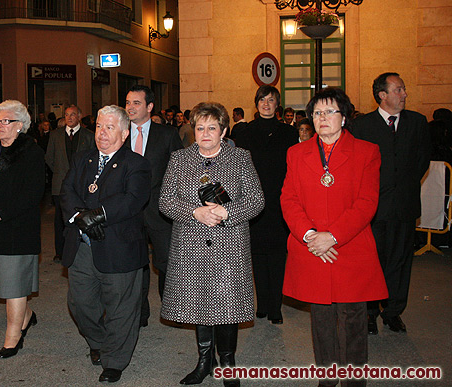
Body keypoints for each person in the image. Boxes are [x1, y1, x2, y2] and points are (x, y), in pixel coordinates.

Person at [281, 87, 388, 387]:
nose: (322, 118)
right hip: (312, 247)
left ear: (345, 117)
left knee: (353, 320)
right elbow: (288, 199)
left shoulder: (367, 152)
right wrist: (310, 235)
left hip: (349, 247)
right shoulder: (296, 152)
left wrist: (334, 236)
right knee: (321, 321)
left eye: (330, 112)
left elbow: (367, 202)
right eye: (317, 113)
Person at [159, 102, 264, 386]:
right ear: (193, 131)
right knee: (199, 303)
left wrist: (228, 212)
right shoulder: (179, 159)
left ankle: (227, 362)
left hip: (229, 244)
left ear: (224, 131)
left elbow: (257, 200)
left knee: (228, 305)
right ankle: (205, 360)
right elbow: (165, 200)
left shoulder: (241, 158)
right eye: (200, 128)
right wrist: (195, 212)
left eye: (212, 128)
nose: (205, 133)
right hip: (191, 243)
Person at [61, 105, 151, 383]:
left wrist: (98, 215)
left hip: (120, 248)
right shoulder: (82, 159)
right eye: (99, 126)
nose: (102, 133)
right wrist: (79, 216)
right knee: (80, 304)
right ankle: (99, 342)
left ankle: (115, 360)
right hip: (83, 248)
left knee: (122, 309)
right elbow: (67, 191)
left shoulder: (136, 164)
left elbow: (133, 199)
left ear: (124, 133)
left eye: (109, 127)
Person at [350, 73, 431, 334]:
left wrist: (402, 188)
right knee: (372, 261)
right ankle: (371, 312)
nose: (404, 94)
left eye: (404, 89)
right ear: (382, 95)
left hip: (405, 206)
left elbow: (422, 161)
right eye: (398, 90)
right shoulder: (361, 126)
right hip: (372, 209)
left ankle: (394, 312)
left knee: (400, 261)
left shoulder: (417, 123)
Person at [0, 100, 45, 358]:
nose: (0, 126)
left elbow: (33, 193)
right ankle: (27, 315)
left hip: (17, 228)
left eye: (6, 121)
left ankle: (13, 337)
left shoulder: (31, 152)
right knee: (4, 283)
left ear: (20, 126)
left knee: (14, 285)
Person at [234, 85, 298, 325]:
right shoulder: (244, 132)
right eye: (262, 99)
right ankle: (261, 304)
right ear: (256, 103)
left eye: (271, 100)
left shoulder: (288, 134)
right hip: (252, 201)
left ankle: (276, 307)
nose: (266, 104)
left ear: (277, 105)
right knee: (257, 255)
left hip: (280, 200)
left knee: (278, 255)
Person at [125, 85, 183, 327]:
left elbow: (180, 170)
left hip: (160, 211)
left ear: (149, 107)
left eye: (136, 103)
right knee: (135, 263)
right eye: (127, 102)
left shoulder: (167, 134)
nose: (130, 107)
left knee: (166, 262)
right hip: (129, 212)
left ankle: (170, 308)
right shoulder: (120, 133)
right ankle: (139, 313)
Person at [45, 105, 95, 262]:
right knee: (60, 220)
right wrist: (62, 174)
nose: (69, 117)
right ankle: (60, 252)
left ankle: (81, 249)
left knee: (81, 218)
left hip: (82, 186)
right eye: (66, 115)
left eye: (73, 114)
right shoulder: (55, 135)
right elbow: (49, 158)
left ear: (79, 116)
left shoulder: (88, 135)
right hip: (60, 185)